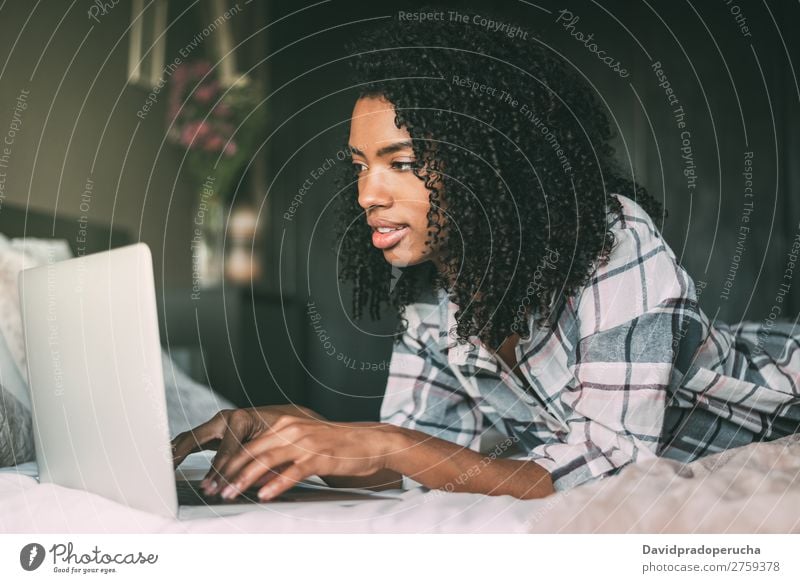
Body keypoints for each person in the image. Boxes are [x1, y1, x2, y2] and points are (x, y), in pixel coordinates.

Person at [171, 12, 799, 501]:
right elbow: (431, 460)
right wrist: (307, 438)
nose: (367, 194)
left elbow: (611, 468)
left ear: (486, 163)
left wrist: (383, 441)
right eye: (359, 166)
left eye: (403, 163)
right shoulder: (431, 297)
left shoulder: (611, 240)